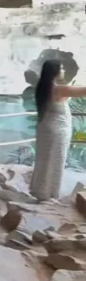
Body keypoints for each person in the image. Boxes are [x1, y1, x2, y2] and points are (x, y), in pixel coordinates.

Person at [31, 59, 86, 200]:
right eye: (61, 68)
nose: (63, 71)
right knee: (55, 161)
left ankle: (39, 191)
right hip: (57, 131)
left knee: (44, 160)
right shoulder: (59, 89)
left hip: (44, 128)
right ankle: (49, 195)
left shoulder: (42, 88)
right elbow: (84, 91)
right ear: (55, 72)